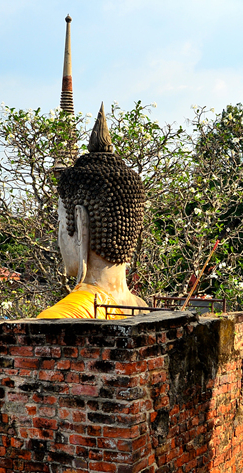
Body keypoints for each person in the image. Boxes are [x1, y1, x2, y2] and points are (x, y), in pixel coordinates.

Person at [37, 105, 149, 319]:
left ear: (80, 225)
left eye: (61, 224)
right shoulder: (142, 308)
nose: (59, 237)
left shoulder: (63, 316)